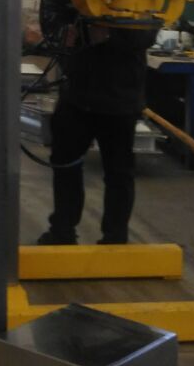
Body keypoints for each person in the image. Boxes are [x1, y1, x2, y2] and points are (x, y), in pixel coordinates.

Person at [38, 23, 157, 246]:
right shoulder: (77, 2)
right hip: (78, 96)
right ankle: (62, 232)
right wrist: (63, 35)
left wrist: (108, 34)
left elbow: (145, 36)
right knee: (65, 166)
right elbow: (56, 23)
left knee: (119, 173)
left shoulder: (144, 3)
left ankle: (115, 238)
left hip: (120, 101)